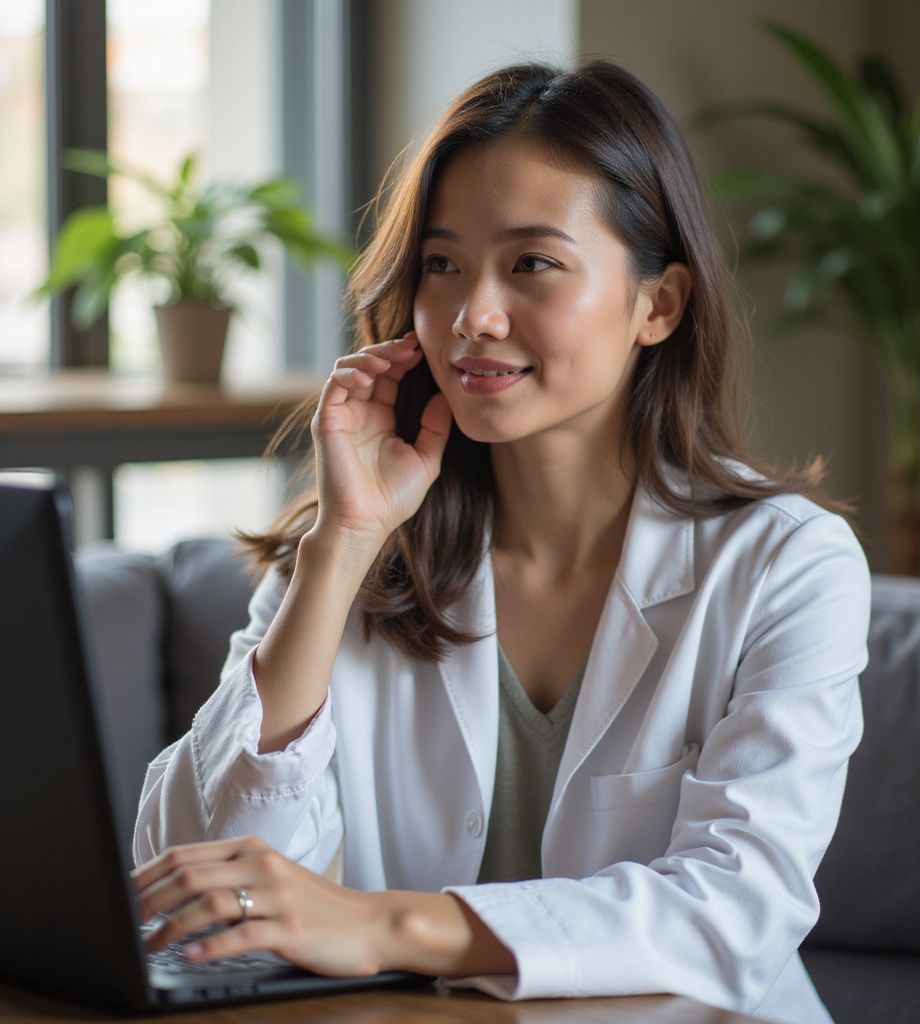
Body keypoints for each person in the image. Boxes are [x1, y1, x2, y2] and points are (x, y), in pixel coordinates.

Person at [131, 59, 870, 1024]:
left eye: (532, 263)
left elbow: (734, 909)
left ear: (659, 305)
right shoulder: (357, 555)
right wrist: (342, 545)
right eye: (441, 265)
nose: (471, 317)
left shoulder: (788, 567)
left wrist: (387, 925)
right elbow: (203, 888)